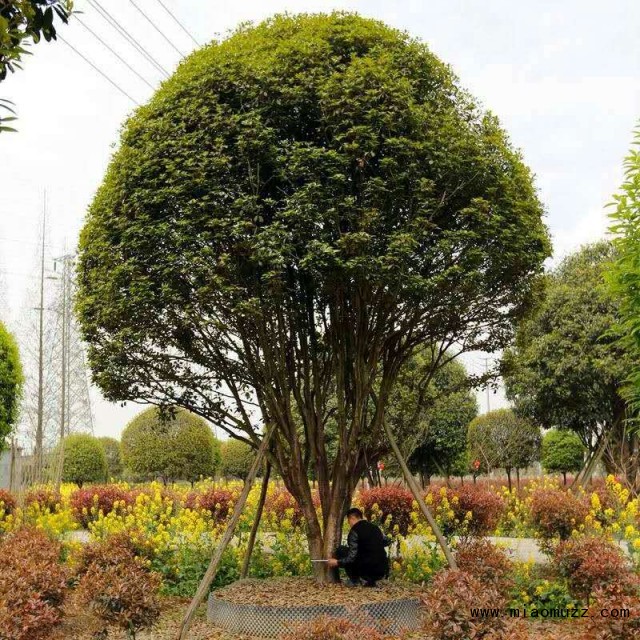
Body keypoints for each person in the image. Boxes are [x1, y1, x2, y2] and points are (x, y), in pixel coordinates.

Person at [327, 507, 391, 587]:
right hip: (381, 570)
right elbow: (387, 541)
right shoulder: (375, 528)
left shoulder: (354, 531)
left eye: (348, 520)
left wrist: (337, 562)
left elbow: (351, 557)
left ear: (352, 518)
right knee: (367, 555)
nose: (349, 523)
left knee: (341, 550)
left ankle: (355, 580)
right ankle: (371, 582)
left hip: (366, 570)